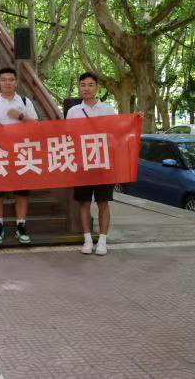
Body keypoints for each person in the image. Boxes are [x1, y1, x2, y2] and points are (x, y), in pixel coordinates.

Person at [0, 67, 38, 245]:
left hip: (21, 152)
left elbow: (36, 126)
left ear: (16, 82)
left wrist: (20, 116)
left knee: (22, 191)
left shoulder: (25, 101)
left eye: (11, 79)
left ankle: (21, 226)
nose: (7, 83)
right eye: (4, 80)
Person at [66, 71, 117, 256]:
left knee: (103, 202)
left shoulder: (108, 110)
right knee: (84, 203)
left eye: (90, 85)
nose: (86, 88)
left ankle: (102, 240)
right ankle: (87, 239)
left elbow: (115, 134)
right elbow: (68, 136)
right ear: (79, 88)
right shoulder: (73, 111)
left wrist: (136, 118)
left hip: (103, 163)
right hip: (82, 164)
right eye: (83, 85)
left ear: (97, 87)